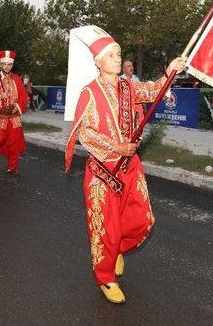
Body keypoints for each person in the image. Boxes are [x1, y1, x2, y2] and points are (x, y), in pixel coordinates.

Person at [65, 26, 185, 304]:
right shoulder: (90, 93)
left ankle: (117, 248)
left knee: (141, 218)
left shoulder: (128, 86)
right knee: (105, 227)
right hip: (102, 171)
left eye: (119, 54)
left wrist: (169, 73)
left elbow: (153, 90)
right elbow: (84, 132)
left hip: (130, 166)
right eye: (112, 55)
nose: (118, 59)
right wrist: (115, 147)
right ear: (98, 61)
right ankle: (106, 277)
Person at [0, 51, 28, 175]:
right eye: (4, 64)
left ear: (12, 65)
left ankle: (12, 167)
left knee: (14, 142)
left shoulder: (17, 79)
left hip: (14, 116)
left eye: (9, 65)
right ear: (0, 65)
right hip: (0, 116)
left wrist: (18, 106)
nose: (7, 67)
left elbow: (23, 96)